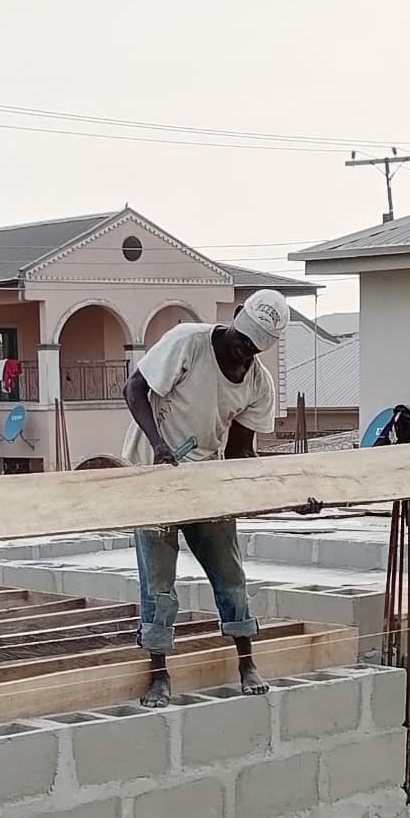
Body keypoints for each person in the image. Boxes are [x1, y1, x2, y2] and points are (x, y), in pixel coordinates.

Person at [122, 289, 287, 703]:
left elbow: (240, 452)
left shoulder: (258, 384)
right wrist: (158, 445)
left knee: (230, 578)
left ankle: (246, 663)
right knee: (158, 585)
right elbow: (134, 389)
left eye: (254, 348)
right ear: (236, 316)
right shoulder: (188, 343)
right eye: (242, 340)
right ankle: (159, 675)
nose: (244, 351)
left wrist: (283, 491)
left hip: (206, 481)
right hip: (154, 476)